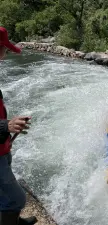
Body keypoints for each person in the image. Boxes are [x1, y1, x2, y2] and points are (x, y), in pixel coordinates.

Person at [0, 26, 37, 225]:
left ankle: (13, 219)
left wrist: (7, 127)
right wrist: (5, 127)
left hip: (2, 148)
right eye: (4, 50)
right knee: (17, 198)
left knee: (5, 196)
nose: (4, 57)